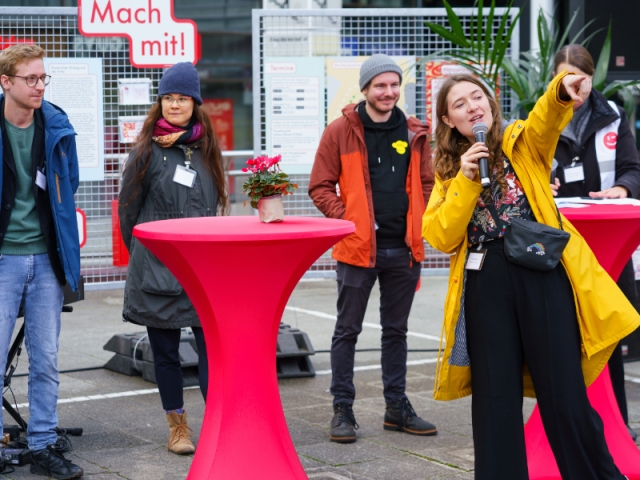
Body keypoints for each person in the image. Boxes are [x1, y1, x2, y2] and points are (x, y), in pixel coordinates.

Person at [422, 70, 640, 479]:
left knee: (564, 393)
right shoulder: (450, 171)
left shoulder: (520, 140)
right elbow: (440, 236)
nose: (472, 107)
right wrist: (465, 182)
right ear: (449, 120)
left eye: (477, 97)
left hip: (540, 271)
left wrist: (561, 91)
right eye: (460, 104)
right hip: (485, 282)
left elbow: (546, 118)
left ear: (490, 102)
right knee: (494, 400)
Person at [309, 54, 436, 443]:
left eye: (394, 85)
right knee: (347, 330)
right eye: (380, 85)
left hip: (404, 249)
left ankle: (396, 407)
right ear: (365, 89)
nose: (388, 92)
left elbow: (428, 182)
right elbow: (320, 186)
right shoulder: (340, 131)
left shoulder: (415, 132)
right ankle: (342, 409)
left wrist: (420, 220)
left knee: (396, 331)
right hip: (357, 249)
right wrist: (349, 220)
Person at [119, 62, 227, 455]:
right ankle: (177, 427)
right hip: (158, 269)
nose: (175, 105)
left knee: (213, 350)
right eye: (168, 98)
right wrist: (145, 257)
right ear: (160, 102)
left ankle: (218, 422)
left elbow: (216, 205)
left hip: (202, 269)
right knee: (165, 353)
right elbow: (128, 213)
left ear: (195, 103)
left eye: (182, 98)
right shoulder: (146, 151)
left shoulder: (207, 149)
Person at [0, 44, 83, 479]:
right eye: (30, 78)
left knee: (46, 360)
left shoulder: (56, 126)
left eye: (42, 78)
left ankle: (43, 445)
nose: (39, 86)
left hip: (46, 260)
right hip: (3, 260)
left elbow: (68, 189)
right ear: (6, 82)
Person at [551, 44, 640, 441]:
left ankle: (616, 423)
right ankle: (568, 428)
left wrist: (622, 188)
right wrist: (543, 182)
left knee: (608, 339)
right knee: (563, 340)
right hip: (560, 244)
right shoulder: (541, 118)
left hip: (608, 246)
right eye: (566, 80)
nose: (575, 89)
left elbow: (633, 169)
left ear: (591, 78)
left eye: (582, 81)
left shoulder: (614, 116)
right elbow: (524, 172)